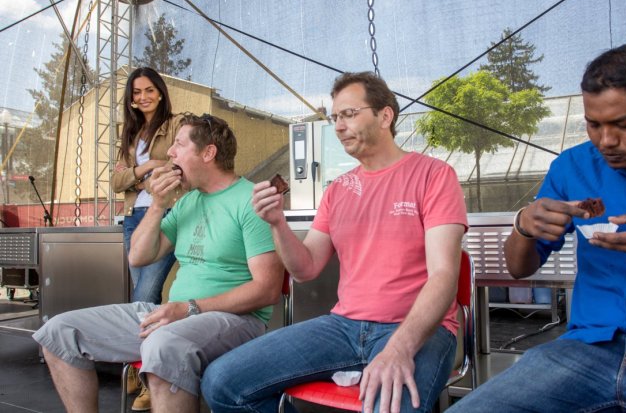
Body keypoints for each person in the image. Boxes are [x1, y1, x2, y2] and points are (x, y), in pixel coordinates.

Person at [201, 72, 468, 413]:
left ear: (385, 116)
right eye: (335, 117)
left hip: (415, 328)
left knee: (390, 405)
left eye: (349, 114)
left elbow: (444, 275)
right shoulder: (338, 190)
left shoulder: (433, 175)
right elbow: (305, 268)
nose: (339, 126)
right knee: (221, 381)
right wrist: (277, 224)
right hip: (343, 326)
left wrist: (398, 349)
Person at [449, 43, 626, 412]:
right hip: (586, 350)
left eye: (624, 125)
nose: (606, 141)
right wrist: (525, 226)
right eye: (593, 124)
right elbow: (519, 267)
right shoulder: (573, 167)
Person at [33, 113, 284, 413]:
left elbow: (267, 290)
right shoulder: (188, 201)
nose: (170, 153)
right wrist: (157, 204)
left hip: (235, 320)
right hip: (173, 315)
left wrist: (190, 307)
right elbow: (138, 256)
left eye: (179, 144)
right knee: (58, 332)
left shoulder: (250, 200)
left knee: (163, 345)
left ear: (208, 153)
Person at [111, 67, 184, 409]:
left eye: (149, 90)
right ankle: (142, 367)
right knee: (140, 299)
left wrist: (135, 176)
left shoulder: (175, 124)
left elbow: (177, 167)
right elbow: (115, 182)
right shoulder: (129, 132)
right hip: (133, 218)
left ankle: (143, 375)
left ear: (160, 91)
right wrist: (145, 167)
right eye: (136, 92)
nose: (143, 97)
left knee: (146, 292)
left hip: (165, 213)